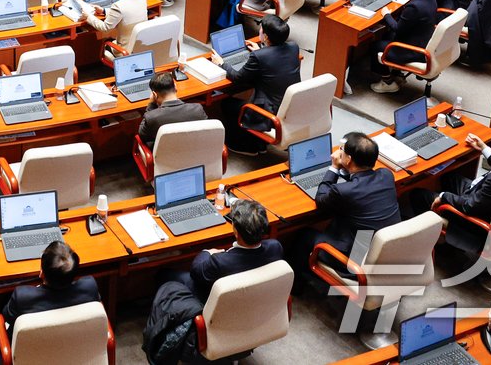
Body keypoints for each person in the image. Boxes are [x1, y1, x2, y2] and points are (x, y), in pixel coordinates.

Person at [145, 200, 282, 360]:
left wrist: (208, 252)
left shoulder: (220, 263)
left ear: (236, 231)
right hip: (255, 314)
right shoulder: (275, 247)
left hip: (213, 311)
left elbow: (196, 270)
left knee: (166, 276)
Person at [417, 121, 491, 253]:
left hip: (477, 220)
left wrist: (443, 197)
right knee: (448, 177)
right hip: (489, 199)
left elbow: (468, 207)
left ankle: (436, 246)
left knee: (419, 194)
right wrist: (483, 148)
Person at [295, 133, 401, 262]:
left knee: (304, 235)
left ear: (349, 159)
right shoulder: (386, 175)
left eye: (342, 150)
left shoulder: (343, 191)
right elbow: (361, 180)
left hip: (358, 257)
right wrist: (346, 167)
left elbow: (321, 199)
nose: (339, 152)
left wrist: (334, 167)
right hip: (387, 248)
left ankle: (307, 277)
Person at [213, 14, 300, 153]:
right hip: (289, 108)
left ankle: (242, 145)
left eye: (261, 29)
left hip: (269, 112)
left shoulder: (259, 56)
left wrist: (221, 63)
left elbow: (237, 77)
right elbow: (275, 59)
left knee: (227, 104)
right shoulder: (293, 47)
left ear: (265, 37)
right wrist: (261, 51)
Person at [0, 241, 100, 334]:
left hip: (32, 350)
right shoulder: (89, 287)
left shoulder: (22, 297)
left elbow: (7, 317)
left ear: (42, 273)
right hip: (76, 344)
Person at [370, 0, 438, 93]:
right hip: (423, 41)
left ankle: (387, 81)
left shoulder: (414, 7)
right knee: (386, 36)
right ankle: (397, 74)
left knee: (376, 45)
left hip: (413, 51)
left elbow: (397, 28)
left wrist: (386, 14)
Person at [82, 0, 148, 50]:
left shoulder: (118, 5)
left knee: (106, 41)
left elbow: (105, 28)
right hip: (140, 47)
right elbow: (127, 12)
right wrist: (103, 11)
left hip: (124, 50)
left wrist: (88, 16)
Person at [137, 71, 207, 146]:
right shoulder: (198, 109)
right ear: (175, 87)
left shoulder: (152, 117)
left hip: (166, 155)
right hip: (196, 152)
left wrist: (151, 104)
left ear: (154, 95)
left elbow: (143, 136)